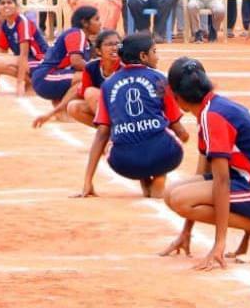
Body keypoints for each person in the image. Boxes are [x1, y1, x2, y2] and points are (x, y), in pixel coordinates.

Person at [162, 56, 250, 268]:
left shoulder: (213, 117)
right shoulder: (212, 107)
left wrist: (219, 244)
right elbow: (203, 173)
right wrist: (186, 231)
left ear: (177, 98)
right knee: (171, 193)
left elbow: (221, 181)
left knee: (180, 200)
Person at [77, 33, 189, 198]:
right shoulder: (159, 79)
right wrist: (184, 136)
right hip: (162, 155)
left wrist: (88, 180)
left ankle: (144, 178)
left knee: (129, 136)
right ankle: (159, 177)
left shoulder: (108, 84)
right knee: (168, 134)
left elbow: (102, 133)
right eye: (154, 51)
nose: (157, 57)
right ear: (143, 56)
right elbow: (177, 127)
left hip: (124, 164)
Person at [33, 29, 122, 128]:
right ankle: (109, 131)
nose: (115, 48)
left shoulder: (124, 67)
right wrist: (50, 114)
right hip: (110, 108)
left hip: (126, 107)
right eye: (109, 44)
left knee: (91, 93)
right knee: (74, 107)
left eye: (118, 44)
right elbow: (77, 94)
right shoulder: (91, 68)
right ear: (98, 51)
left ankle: (120, 130)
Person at [30, 5, 101, 104]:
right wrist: (98, 72)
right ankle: (59, 110)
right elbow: (76, 62)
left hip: (49, 76)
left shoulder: (85, 40)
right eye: (96, 19)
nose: (100, 23)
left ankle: (60, 107)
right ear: (85, 23)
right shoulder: (77, 33)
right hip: (46, 76)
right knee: (88, 77)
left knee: (85, 76)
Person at [0, 0, 47, 94]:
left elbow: (24, 55)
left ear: (16, 6)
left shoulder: (23, 23)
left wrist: (19, 83)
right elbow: (2, 55)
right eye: (2, 3)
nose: (6, 6)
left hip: (42, 60)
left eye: (9, 2)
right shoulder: (5, 26)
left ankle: (32, 84)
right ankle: (31, 82)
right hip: (27, 60)